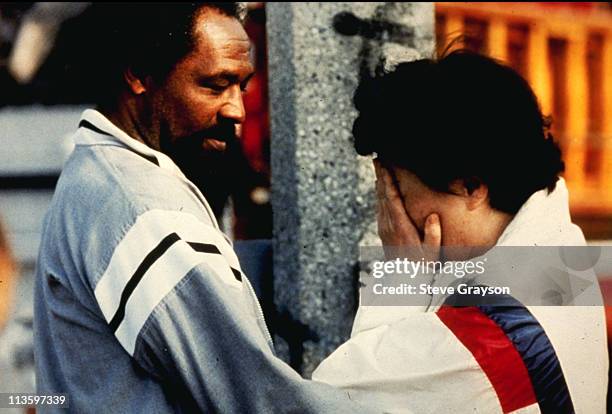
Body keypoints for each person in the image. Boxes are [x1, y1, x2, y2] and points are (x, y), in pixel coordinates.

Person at [34, 4, 378, 413]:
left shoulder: (97, 174)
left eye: (241, 87)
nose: (237, 110)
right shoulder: (146, 211)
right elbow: (259, 400)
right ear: (140, 74)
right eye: (216, 86)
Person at [312, 50, 608, 413]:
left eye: (397, 190)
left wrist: (403, 274)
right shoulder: (558, 246)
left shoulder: (493, 327)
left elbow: (335, 399)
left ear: (470, 187)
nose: (389, 213)